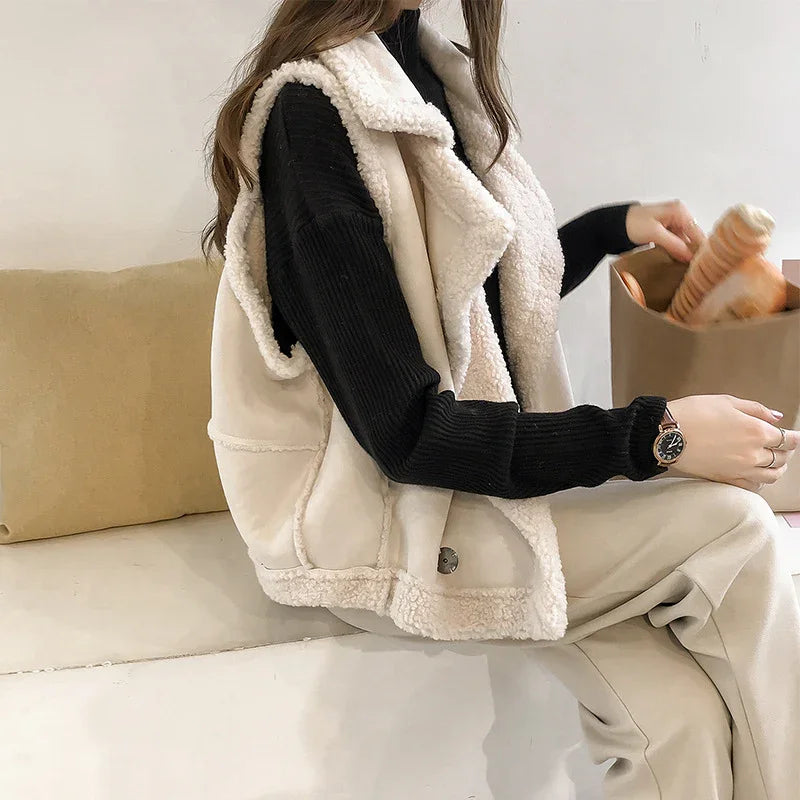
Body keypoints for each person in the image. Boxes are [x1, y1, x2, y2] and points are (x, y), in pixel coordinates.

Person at [201, 2, 800, 798]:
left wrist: (610, 228)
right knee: (736, 528)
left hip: (481, 491)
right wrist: (659, 436)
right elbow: (410, 436)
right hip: (390, 525)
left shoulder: (430, 70)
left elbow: (485, 305)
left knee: (674, 721)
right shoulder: (312, 115)